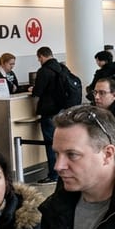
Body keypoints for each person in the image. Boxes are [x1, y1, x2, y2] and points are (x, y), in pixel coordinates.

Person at [33, 46, 72, 182]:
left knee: (51, 144)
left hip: (49, 111)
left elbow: (37, 93)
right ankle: (63, 170)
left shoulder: (44, 71)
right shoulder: (62, 68)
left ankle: (53, 174)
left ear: (41, 56)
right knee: (61, 143)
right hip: (62, 110)